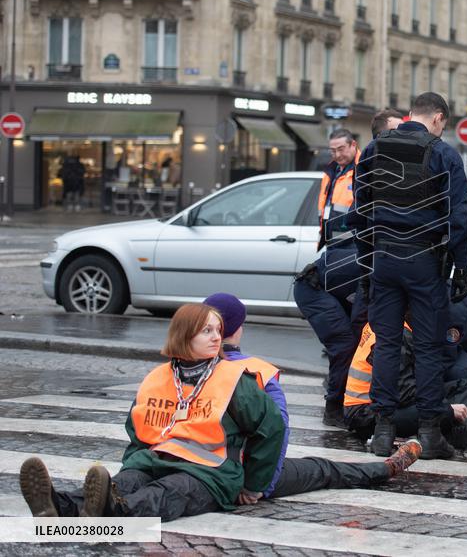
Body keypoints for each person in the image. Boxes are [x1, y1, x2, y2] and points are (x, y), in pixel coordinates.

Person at [18, 304, 421, 520]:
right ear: (183, 337)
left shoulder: (235, 378)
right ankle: (62, 505)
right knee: (130, 479)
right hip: (159, 460)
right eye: (207, 331)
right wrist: (136, 463)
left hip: (210, 476)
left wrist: (257, 484)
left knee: (167, 494)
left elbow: (272, 429)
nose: (217, 337)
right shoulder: (158, 377)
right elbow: (137, 430)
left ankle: (387, 468)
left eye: (218, 330)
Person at [203, 293, 421, 500]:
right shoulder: (257, 371)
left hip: (196, 467)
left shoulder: (179, 367)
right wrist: (259, 487)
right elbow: (278, 431)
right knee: (323, 470)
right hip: (242, 471)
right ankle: (384, 469)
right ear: (239, 328)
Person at [353, 92, 467, 460]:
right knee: (427, 346)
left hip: (384, 256)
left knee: (386, 344)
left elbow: (360, 210)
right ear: (438, 118)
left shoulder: (374, 149)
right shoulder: (443, 153)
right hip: (424, 259)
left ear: (409, 115)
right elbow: (458, 218)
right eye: (443, 124)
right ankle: (430, 432)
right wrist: (460, 268)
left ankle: (384, 431)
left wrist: (366, 262)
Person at [344, 298, 467, 450]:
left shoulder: (394, 324)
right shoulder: (397, 335)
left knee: (461, 387)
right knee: (433, 410)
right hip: (366, 415)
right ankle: (446, 433)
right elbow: (404, 394)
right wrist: (448, 410)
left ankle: (457, 431)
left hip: (384, 406)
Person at [294, 127, 364, 427]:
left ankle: (343, 395)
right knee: (345, 344)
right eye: (332, 150)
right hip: (334, 255)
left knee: (349, 342)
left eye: (340, 149)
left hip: (348, 249)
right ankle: (335, 406)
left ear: (353, 145)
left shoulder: (362, 172)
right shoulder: (332, 172)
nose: (335, 155)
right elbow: (328, 213)